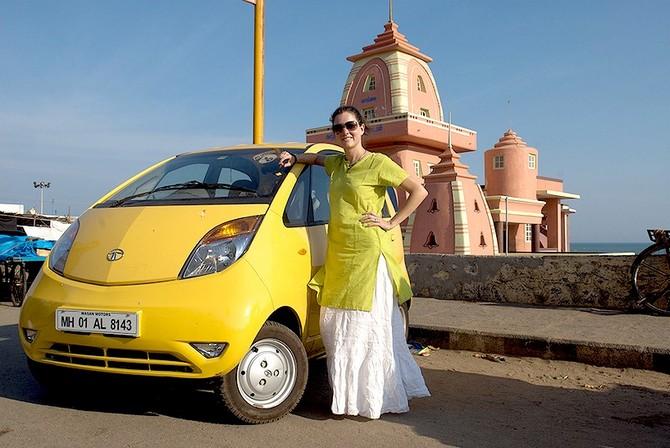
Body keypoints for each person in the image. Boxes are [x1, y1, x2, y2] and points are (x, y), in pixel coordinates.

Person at [279, 105, 430, 419]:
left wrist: (391, 221)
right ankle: (347, 398)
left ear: (363, 128)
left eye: (350, 126)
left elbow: (418, 191)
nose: (344, 132)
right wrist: (294, 158)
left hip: (368, 256)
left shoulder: (378, 164)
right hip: (340, 254)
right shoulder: (336, 164)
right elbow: (314, 158)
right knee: (335, 325)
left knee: (364, 328)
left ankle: (371, 399)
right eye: (337, 128)